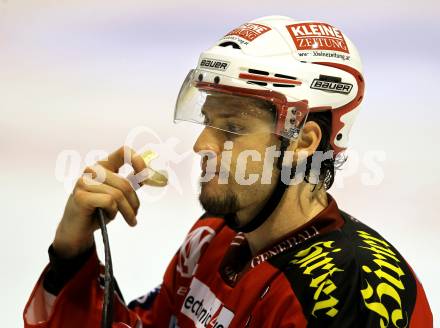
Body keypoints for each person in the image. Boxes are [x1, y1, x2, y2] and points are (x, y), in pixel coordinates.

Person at [23, 15, 432, 327]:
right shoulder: (214, 236)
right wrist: (70, 257)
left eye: (232, 128)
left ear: (304, 142)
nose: (203, 145)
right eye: (207, 120)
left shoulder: (350, 292)